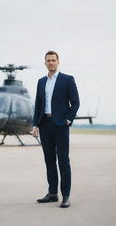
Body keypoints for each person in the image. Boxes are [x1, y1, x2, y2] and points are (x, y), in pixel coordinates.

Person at [32, 50, 80, 208]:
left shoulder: (67, 79)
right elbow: (38, 105)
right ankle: (52, 193)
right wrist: (35, 124)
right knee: (49, 160)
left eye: (53, 60)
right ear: (45, 62)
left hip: (60, 125)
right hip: (45, 124)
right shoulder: (41, 82)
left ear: (58, 62)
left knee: (63, 161)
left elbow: (75, 103)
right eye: (48, 60)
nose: (51, 63)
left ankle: (66, 196)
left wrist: (68, 119)